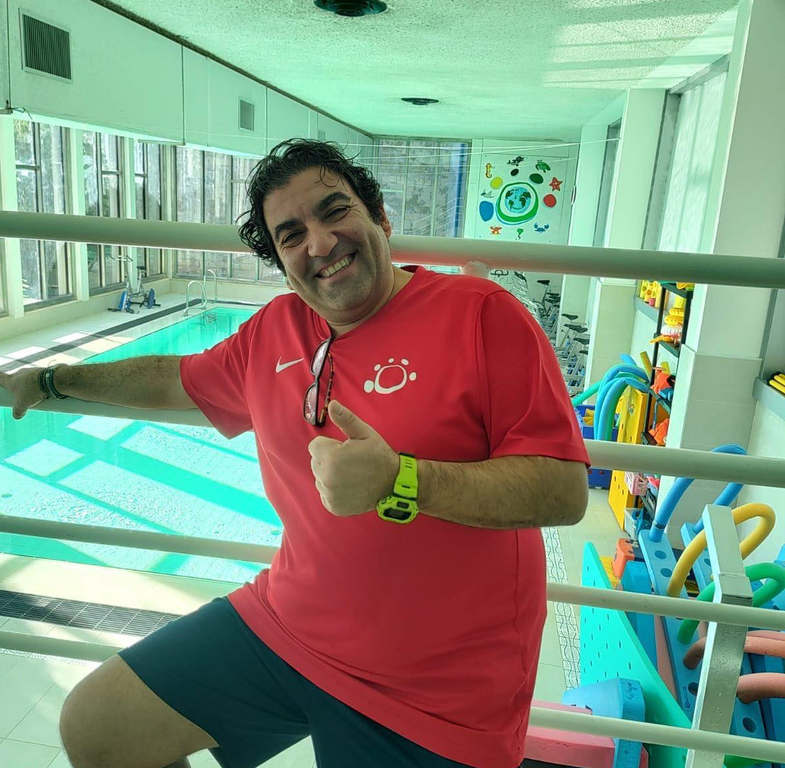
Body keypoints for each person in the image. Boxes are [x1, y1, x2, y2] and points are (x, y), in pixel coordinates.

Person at [0, 139, 590, 768]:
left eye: (335, 212)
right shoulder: (274, 330)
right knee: (98, 726)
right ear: (281, 263)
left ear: (380, 217)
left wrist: (403, 480)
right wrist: (53, 380)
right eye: (291, 236)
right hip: (287, 626)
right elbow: (173, 379)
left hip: (434, 686)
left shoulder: (479, 315)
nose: (321, 243)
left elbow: (562, 491)